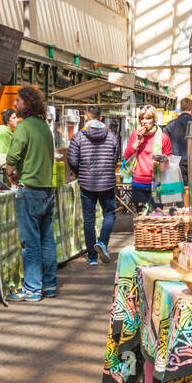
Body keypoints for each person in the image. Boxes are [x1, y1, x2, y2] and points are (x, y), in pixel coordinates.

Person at [5, 86, 57, 302]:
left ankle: (33, 289)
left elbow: (12, 156)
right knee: (46, 239)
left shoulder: (24, 127)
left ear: (27, 103)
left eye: (18, 100)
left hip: (30, 191)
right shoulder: (45, 127)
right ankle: (50, 284)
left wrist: (9, 172)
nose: (15, 104)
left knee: (30, 242)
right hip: (47, 190)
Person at [66, 104, 120, 266]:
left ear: (86, 117)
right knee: (109, 213)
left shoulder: (78, 137)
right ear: (101, 117)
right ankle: (102, 242)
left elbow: (73, 160)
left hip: (86, 183)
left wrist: (78, 172)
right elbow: (115, 158)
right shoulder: (111, 137)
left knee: (88, 219)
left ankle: (92, 258)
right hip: (107, 183)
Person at [123, 106, 172, 214]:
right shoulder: (135, 135)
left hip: (157, 183)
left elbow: (169, 161)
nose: (144, 121)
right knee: (141, 219)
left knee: (156, 218)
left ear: (154, 119)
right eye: (142, 118)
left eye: (148, 118)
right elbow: (126, 155)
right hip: (139, 182)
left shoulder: (163, 137)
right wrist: (138, 140)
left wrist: (161, 158)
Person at [164, 98, 192, 183]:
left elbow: (164, 143)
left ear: (180, 108)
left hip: (176, 163)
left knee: (178, 190)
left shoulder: (171, 124)